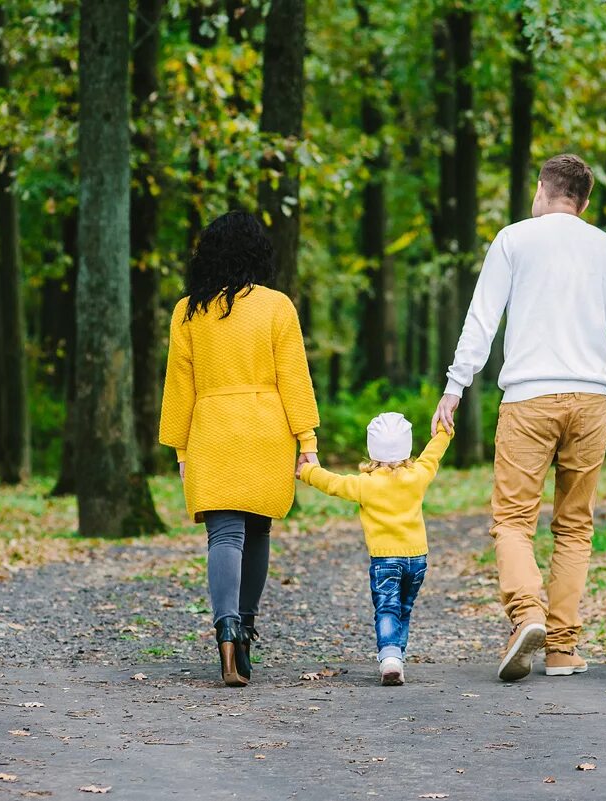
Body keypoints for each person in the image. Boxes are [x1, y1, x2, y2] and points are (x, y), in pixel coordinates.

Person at [432, 154, 606, 682]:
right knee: (575, 527)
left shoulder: (514, 239)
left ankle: (526, 614)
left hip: (529, 399)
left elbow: (482, 320)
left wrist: (455, 385)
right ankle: (560, 647)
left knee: (512, 520)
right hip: (592, 401)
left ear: (541, 189)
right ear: (585, 200)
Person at [159, 210, 320, 688]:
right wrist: (306, 441)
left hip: (212, 429)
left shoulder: (187, 310)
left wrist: (182, 452)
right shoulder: (277, 306)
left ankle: (225, 631)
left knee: (224, 537)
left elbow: (178, 388)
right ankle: (246, 628)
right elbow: (295, 377)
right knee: (259, 533)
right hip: (267, 428)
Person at [297, 413, 453, 685]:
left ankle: (390, 657)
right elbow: (434, 452)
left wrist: (308, 471)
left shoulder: (364, 484)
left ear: (373, 450)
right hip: (417, 558)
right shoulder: (418, 475)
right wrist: (444, 428)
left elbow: (332, 483)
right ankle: (396, 657)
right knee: (404, 608)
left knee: (386, 609)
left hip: (385, 560)